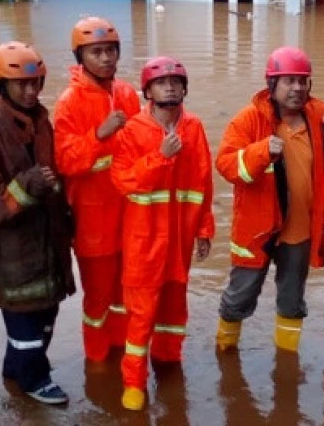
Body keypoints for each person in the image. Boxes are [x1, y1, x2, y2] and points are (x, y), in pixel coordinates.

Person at [0, 41, 75, 405]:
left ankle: (15, 369)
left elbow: (56, 179)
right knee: (25, 324)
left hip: (47, 247)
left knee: (45, 316)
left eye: (36, 84)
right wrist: (27, 184)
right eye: (21, 85)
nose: (31, 91)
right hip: (11, 256)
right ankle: (34, 379)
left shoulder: (44, 125)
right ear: (1, 86)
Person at [111, 56, 214, 411]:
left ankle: (168, 363)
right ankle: (134, 381)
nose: (169, 86)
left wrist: (204, 228)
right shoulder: (133, 131)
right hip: (144, 242)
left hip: (180, 240)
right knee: (141, 315)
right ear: (148, 90)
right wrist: (159, 156)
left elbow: (203, 182)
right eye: (161, 82)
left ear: (184, 88)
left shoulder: (195, 127)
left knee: (174, 310)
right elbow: (122, 181)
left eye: (175, 81)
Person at [214, 46, 324, 353]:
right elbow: (225, 165)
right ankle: (225, 353)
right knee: (239, 296)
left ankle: (287, 364)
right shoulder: (248, 119)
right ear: (272, 85)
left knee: (292, 301)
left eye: (302, 81)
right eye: (289, 81)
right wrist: (262, 152)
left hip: (300, 232)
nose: (297, 88)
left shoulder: (317, 122)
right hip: (257, 232)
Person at [54, 16, 141, 362]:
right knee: (98, 299)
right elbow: (65, 161)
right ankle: (97, 363)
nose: (106, 59)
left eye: (110, 51)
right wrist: (99, 135)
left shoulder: (127, 94)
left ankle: (120, 352)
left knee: (125, 294)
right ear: (81, 57)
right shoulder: (69, 102)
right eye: (97, 52)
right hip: (92, 223)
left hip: (130, 217)